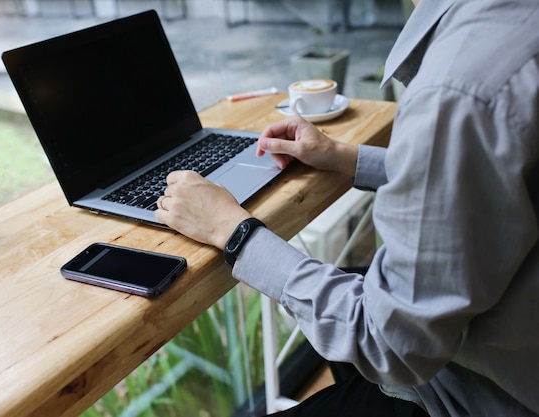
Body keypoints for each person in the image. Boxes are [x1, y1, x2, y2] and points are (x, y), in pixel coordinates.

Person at [156, 0, 539, 415]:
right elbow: (485, 180)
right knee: (345, 290)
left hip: (477, 393)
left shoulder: (460, 83)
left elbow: (390, 344)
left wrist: (234, 233)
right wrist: (349, 158)